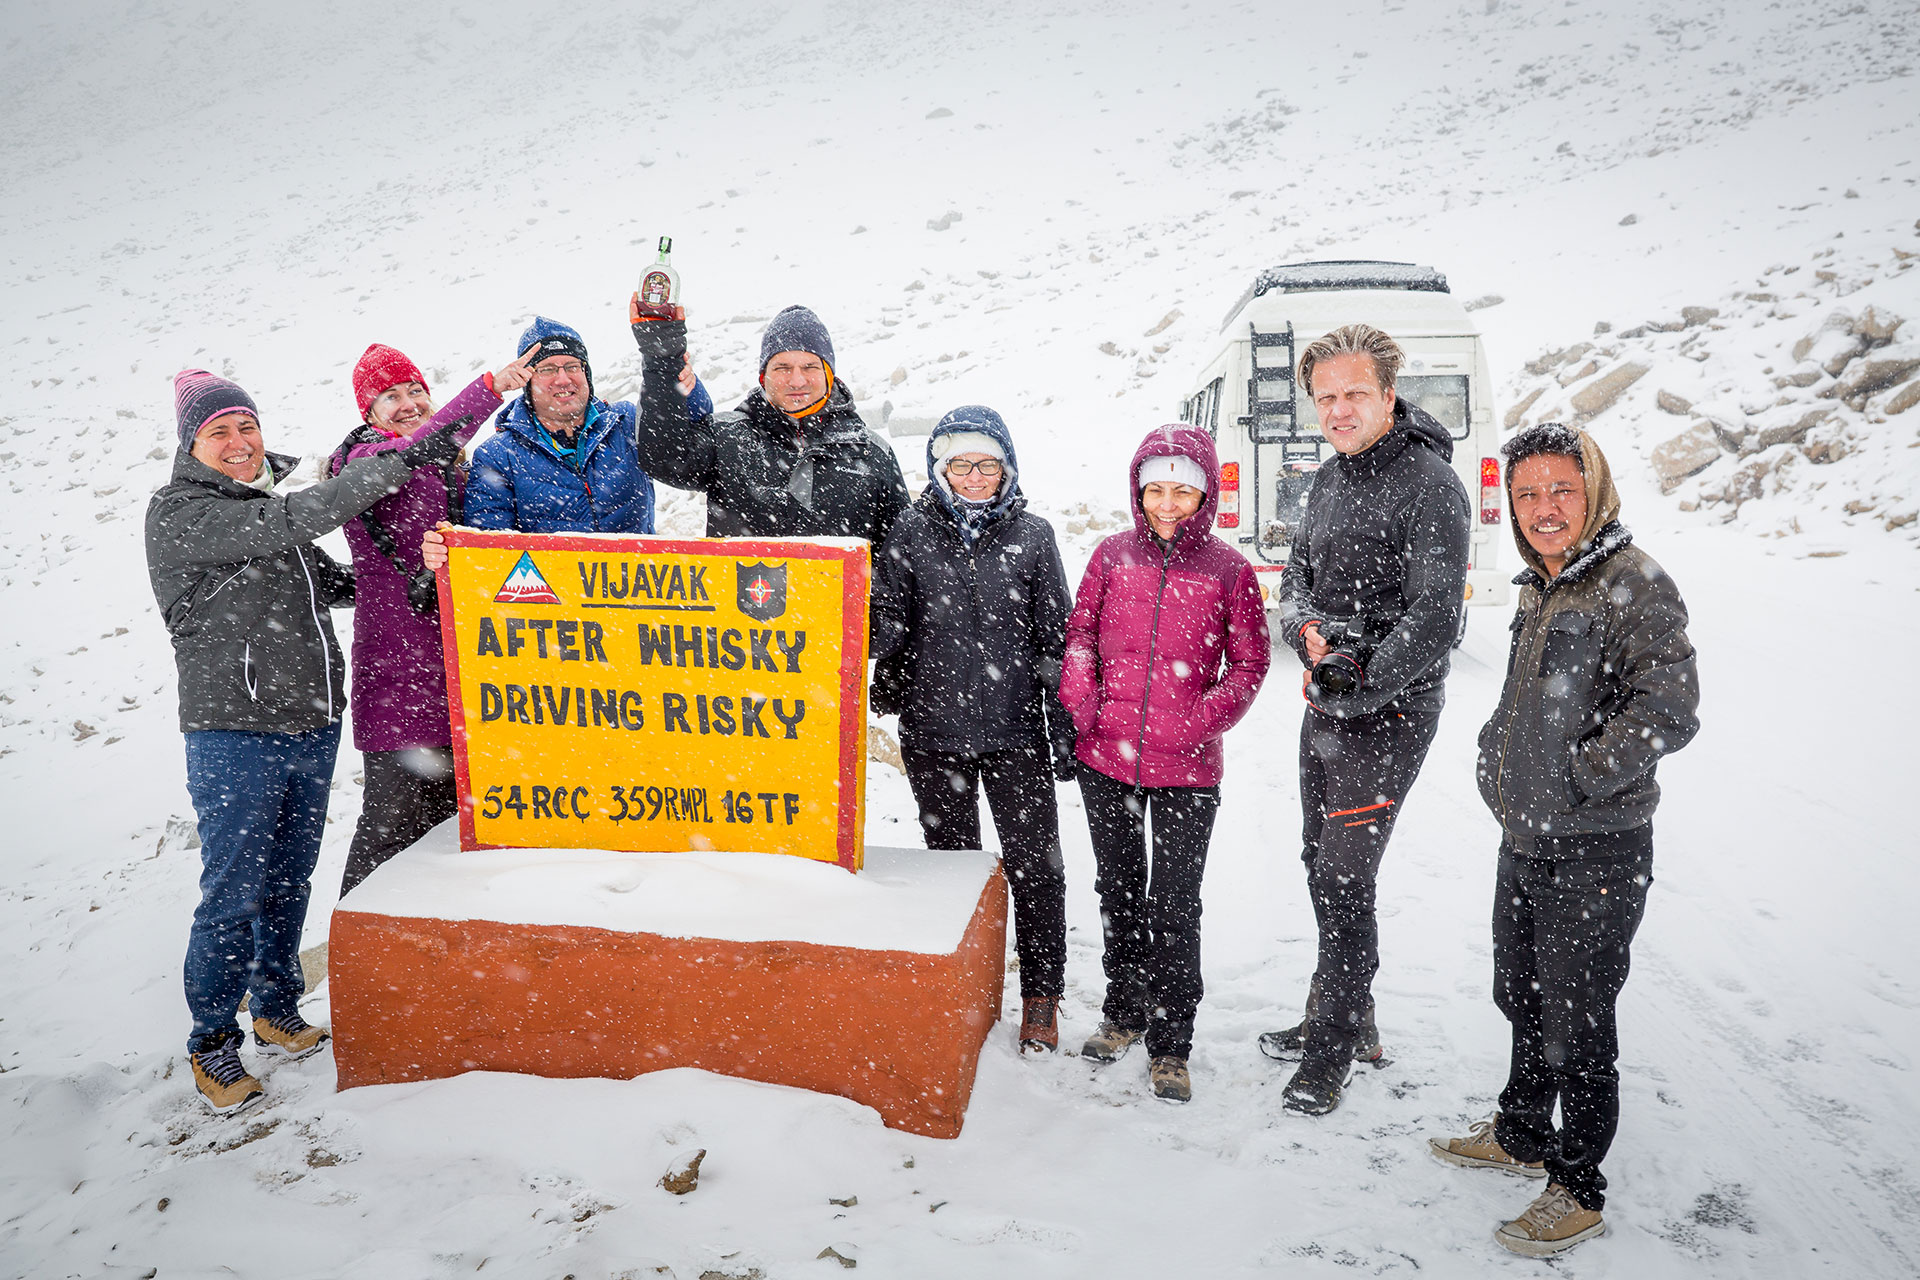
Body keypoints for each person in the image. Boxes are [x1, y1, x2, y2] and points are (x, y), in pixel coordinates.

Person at [146, 368, 469, 1113]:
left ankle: (276, 1007)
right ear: (192, 445)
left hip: (309, 724)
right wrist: (393, 465)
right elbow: (292, 522)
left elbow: (343, 585)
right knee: (233, 892)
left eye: (245, 426)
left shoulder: (266, 511)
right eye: (219, 430)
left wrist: (415, 562)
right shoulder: (182, 513)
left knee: (289, 878)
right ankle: (212, 1045)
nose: (237, 441)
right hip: (234, 732)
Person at [1430, 424, 1698, 1257]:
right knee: (1523, 995)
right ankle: (1520, 1133)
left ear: (1595, 491)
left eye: (1561, 490)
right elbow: (1525, 700)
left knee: (1579, 1019)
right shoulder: (1541, 585)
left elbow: (1668, 712)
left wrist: (1579, 777)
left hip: (1599, 845)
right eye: (1527, 494)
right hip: (1528, 838)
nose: (1544, 509)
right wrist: (1495, 753)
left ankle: (1578, 1185)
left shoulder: (1635, 584)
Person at [1264, 323, 1471, 1116]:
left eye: (1354, 394)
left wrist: (1363, 681)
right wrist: (1310, 637)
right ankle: (1346, 1015)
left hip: (1391, 713)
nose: (1338, 410)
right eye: (1325, 397)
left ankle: (1332, 1049)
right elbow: (1296, 582)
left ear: (1389, 394)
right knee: (1319, 857)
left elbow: (1434, 620)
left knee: (1346, 877)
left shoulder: (1430, 483)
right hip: (1328, 698)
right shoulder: (1329, 478)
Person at [1059, 424, 1269, 1103]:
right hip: (1106, 756)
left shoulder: (1229, 570)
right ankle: (1124, 1011)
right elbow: (1080, 636)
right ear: (1139, 489)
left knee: (1175, 904)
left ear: (1204, 492)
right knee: (1118, 893)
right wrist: (1083, 704)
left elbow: (1250, 662)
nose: (1169, 503)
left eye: (1184, 489)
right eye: (1157, 488)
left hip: (1188, 766)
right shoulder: (1111, 557)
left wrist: (1199, 719)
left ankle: (1172, 1039)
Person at [870, 405, 1075, 1053]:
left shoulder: (1034, 537)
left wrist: (1063, 725)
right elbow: (889, 629)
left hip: (1016, 733)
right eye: (962, 463)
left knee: (1036, 869)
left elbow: (1055, 641)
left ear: (1007, 468)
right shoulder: (909, 532)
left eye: (988, 463)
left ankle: (1041, 995)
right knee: (955, 874)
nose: (976, 475)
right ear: (940, 468)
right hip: (934, 735)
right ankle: (969, 988)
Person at [329, 342, 536, 897]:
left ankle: (420, 958)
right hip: (398, 676)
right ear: (367, 413)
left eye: (415, 390)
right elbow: (416, 451)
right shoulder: (364, 463)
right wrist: (490, 388)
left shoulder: (445, 459)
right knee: (390, 827)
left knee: (446, 834)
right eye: (390, 396)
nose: (407, 403)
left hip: (454, 670)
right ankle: (353, 947)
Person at [422, 315, 711, 567]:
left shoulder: (625, 423)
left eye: (572, 366)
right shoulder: (499, 456)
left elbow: (692, 432)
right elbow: (489, 554)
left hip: (638, 597)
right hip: (557, 616)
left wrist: (681, 384)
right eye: (547, 369)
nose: (563, 379)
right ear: (527, 380)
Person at [628, 303, 908, 544]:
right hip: (741, 605)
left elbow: (900, 564)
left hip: (838, 607)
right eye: (782, 368)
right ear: (764, 377)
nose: (797, 380)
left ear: (829, 375)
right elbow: (664, 459)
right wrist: (662, 361)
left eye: (810, 367)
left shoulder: (872, 453)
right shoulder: (728, 437)